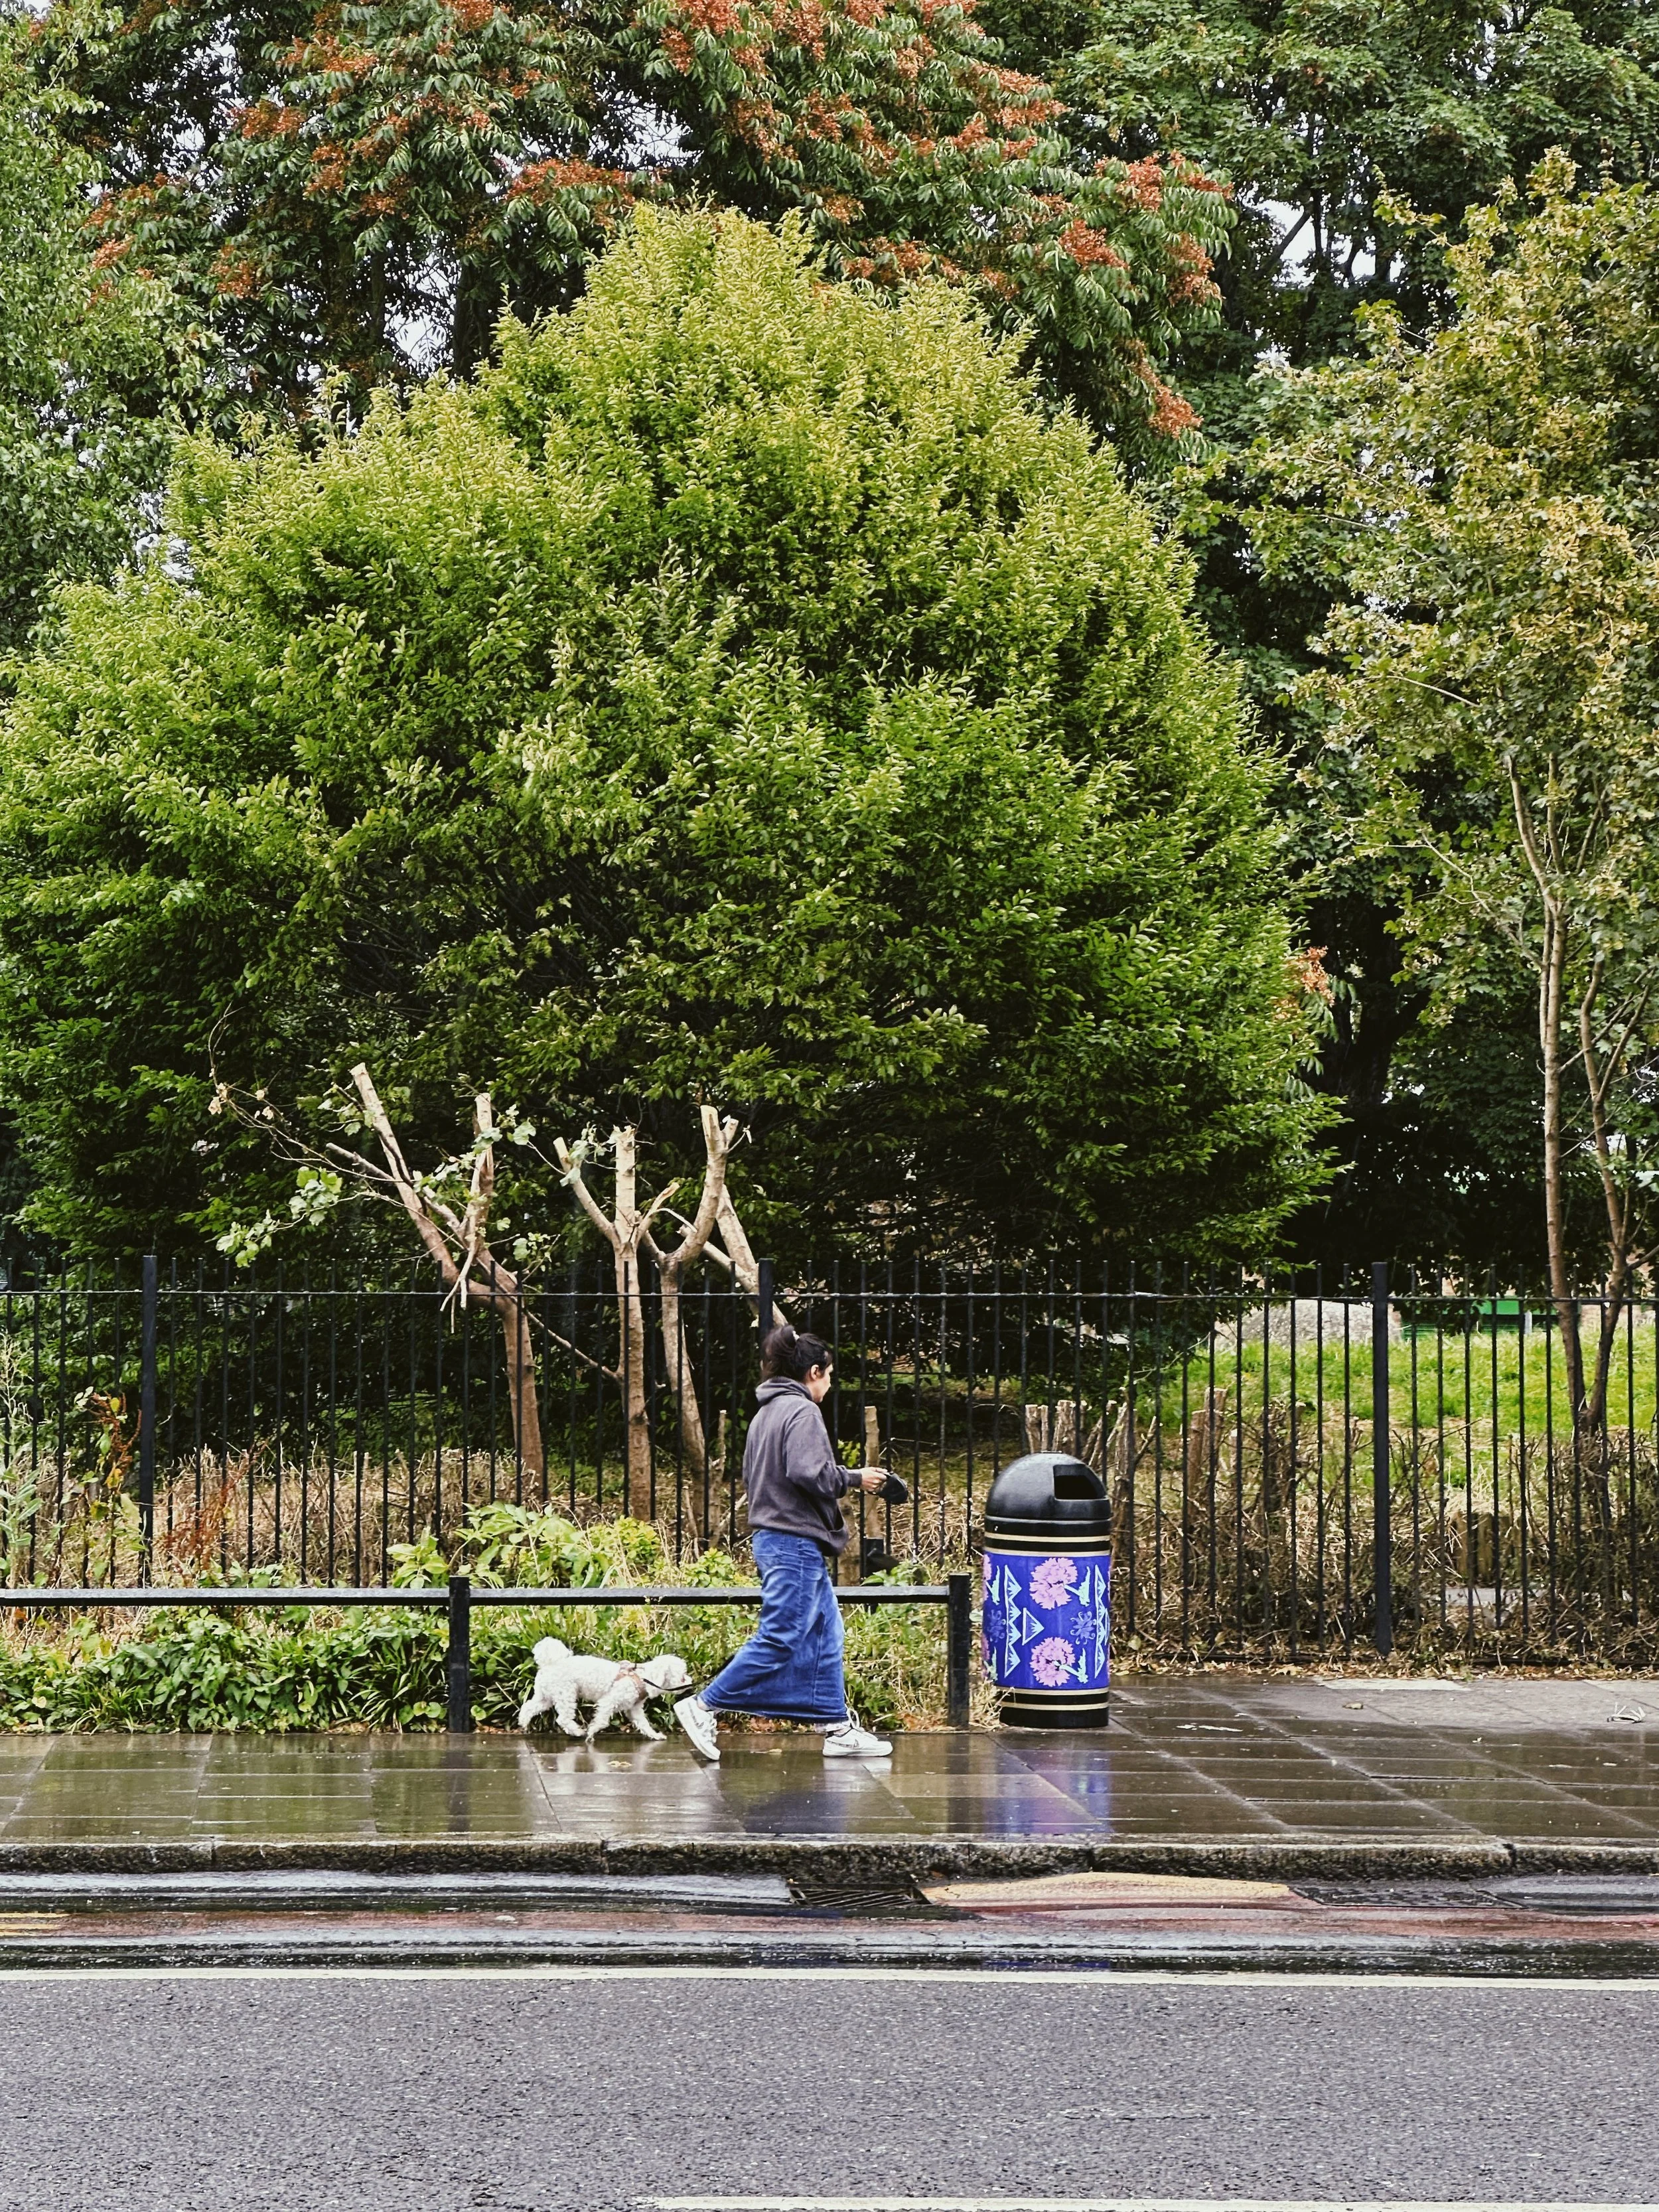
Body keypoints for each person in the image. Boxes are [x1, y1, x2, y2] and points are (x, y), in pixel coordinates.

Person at [674, 1323, 901, 1762]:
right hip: (793, 1541)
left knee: (825, 1631)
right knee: (781, 1635)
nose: (830, 1386)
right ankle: (704, 1705)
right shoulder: (801, 1412)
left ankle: (836, 1727)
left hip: (780, 1539)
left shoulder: (766, 1413)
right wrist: (857, 1477)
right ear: (814, 1371)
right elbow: (810, 1472)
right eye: (830, 1376)